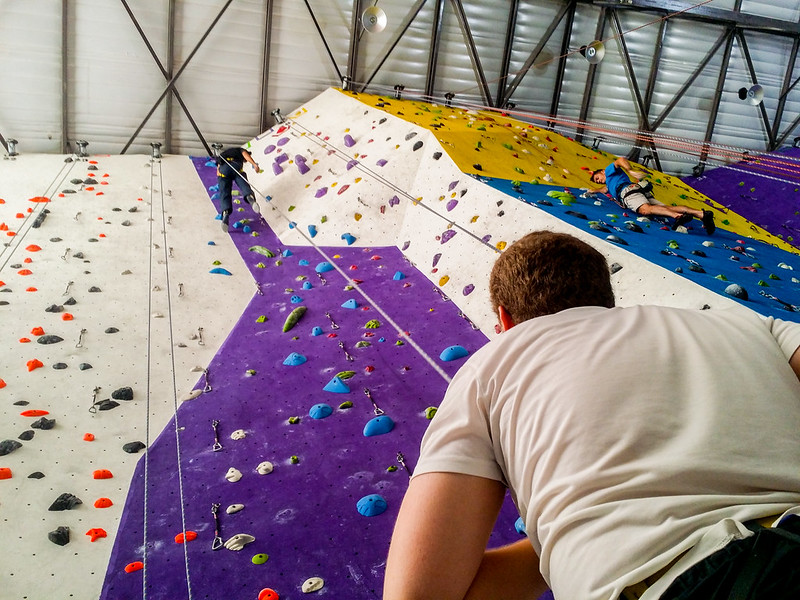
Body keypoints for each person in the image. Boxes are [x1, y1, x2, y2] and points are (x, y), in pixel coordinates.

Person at [384, 230, 800, 600]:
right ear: (608, 298)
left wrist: (563, 540)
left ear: (506, 319)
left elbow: (419, 593)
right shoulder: (750, 325)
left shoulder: (488, 367)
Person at [591, 157, 715, 234]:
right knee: (666, 208)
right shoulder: (610, 182)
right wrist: (594, 190)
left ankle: (677, 216)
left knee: (645, 210)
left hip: (628, 192)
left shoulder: (608, 171)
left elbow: (620, 160)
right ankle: (701, 214)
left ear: (602, 172)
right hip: (636, 191)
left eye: (598, 178)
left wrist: (630, 170)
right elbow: (604, 189)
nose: (599, 180)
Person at [217, 146, 261, 232]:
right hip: (235, 165)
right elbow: (245, 155)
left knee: (224, 192)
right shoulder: (240, 150)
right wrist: (254, 164)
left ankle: (225, 212)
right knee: (242, 179)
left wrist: (221, 178)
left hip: (223, 170)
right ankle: (249, 197)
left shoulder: (223, 155)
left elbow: (218, 170)